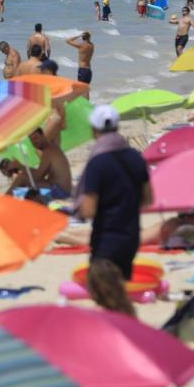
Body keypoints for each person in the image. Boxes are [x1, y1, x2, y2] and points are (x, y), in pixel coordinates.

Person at [77, 105, 151, 316]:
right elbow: (148, 199)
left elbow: (88, 209)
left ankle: (127, 332)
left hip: (107, 240)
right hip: (131, 236)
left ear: (94, 130)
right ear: (118, 127)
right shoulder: (136, 158)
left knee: (108, 298)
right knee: (119, 293)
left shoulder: (98, 163)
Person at [4, 128, 73, 198]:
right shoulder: (50, 148)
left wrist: (20, 166)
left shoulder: (48, 152)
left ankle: (4, 200)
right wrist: (21, 168)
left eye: (36, 137)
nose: (34, 142)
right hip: (59, 189)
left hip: (60, 192)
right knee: (22, 179)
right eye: (31, 140)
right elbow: (39, 173)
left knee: (21, 179)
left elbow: (37, 177)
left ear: (43, 135)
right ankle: (7, 199)